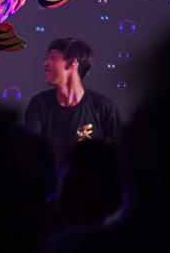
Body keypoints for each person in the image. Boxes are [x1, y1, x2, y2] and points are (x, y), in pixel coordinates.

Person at [24, 38, 120, 168]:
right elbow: (31, 150)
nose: (45, 64)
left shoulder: (104, 108)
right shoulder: (39, 103)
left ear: (72, 63)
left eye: (52, 57)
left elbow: (119, 155)